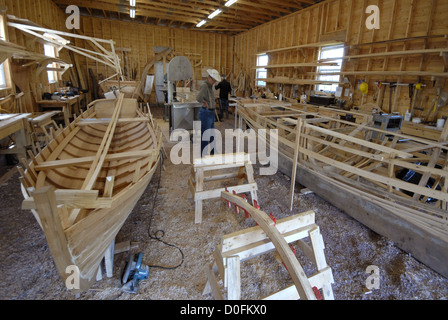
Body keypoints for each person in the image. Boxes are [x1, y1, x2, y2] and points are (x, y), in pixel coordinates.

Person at [196, 69, 221, 156]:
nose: (214, 82)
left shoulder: (210, 86)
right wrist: (204, 103)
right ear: (209, 78)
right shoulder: (205, 86)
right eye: (213, 80)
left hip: (210, 113)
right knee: (206, 135)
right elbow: (198, 97)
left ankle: (212, 153)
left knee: (212, 135)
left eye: (215, 80)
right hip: (206, 113)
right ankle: (204, 155)